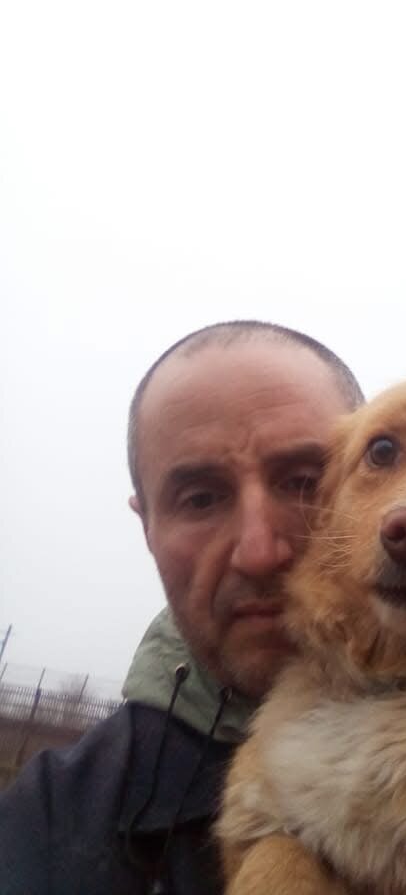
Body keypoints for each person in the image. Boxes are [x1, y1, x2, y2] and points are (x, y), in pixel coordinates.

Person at [0, 320, 364, 895]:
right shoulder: (52, 821)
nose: (259, 552)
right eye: (200, 499)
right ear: (146, 526)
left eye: (304, 483)